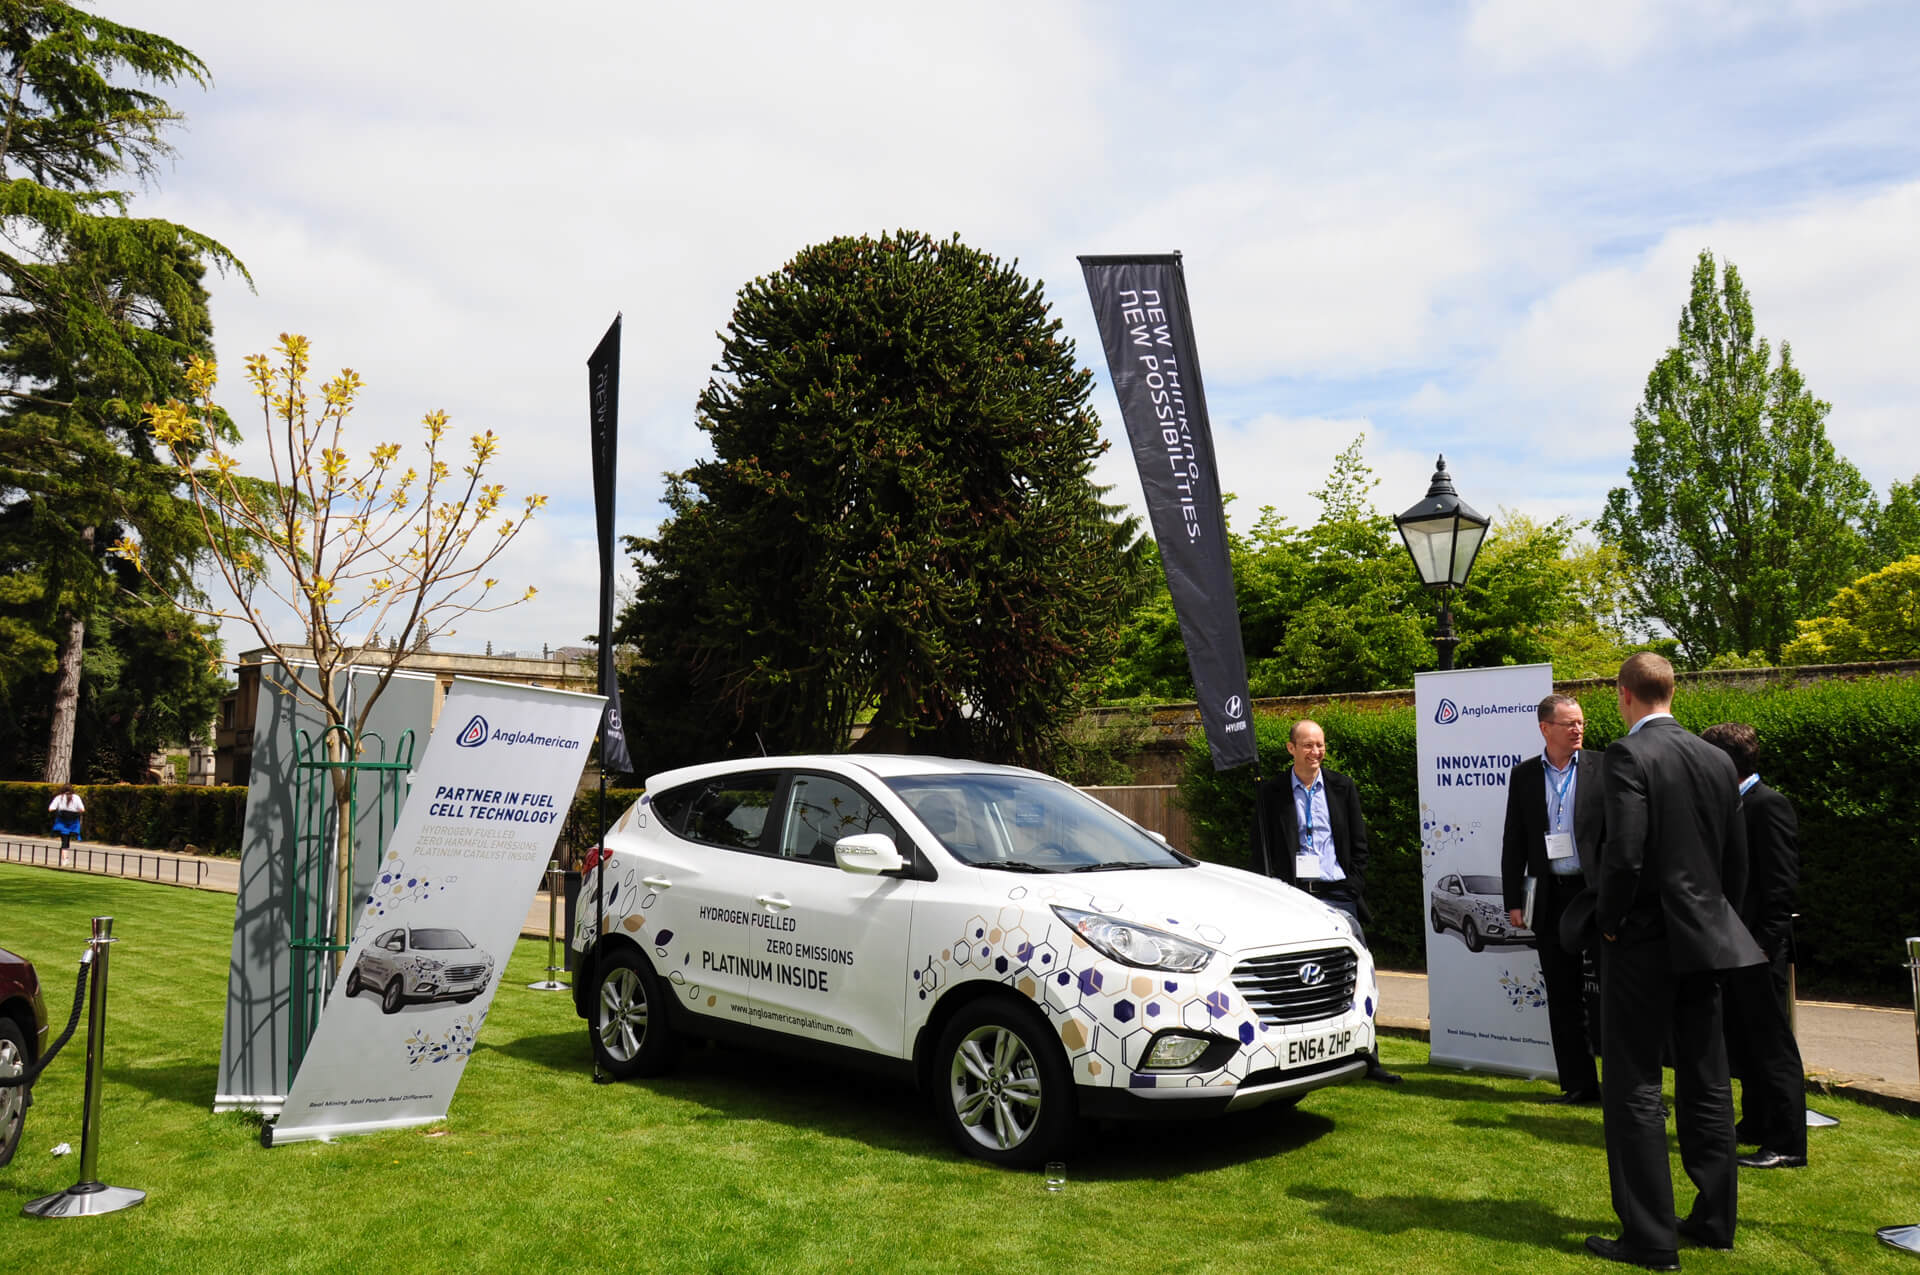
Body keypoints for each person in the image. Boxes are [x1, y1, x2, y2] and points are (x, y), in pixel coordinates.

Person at [1586, 653, 1765, 1270]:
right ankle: (1715, 1220)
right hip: (1705, 939)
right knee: (1707, 1078)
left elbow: (1624, 855)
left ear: (1624, 694)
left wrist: (1609, 922)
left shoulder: (1628, 754)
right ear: (1671, 691)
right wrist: (1716, 919)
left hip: (1643, 941)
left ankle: (1649, 1237)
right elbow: (1736, 861)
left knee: (1634, 1081)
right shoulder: (1716, 759)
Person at [1250, 718, 1402, 1084]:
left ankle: (1369, 1057)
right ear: (1291, 748)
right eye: (1308, 745)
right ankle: (1297, 1056)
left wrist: (1353, 887)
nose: (1315, 751)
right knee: (1295, 976)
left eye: (1320, 744)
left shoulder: (1341, 787)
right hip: (1293, 896)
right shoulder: (1271, 792)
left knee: (1357, 974)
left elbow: (1359, 843)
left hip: (1337, 894)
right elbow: (1262, 849)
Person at [1700, 722, 1808, 1171]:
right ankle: (1757, 1123)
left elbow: (1780, 885)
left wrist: (1765, 945)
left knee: (1771, 1046)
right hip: (1733, 945)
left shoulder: (1768, 805)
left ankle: (1787, 1142)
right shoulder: (1733, 805)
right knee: (1744, 1041)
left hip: (1759, 949)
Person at [1500, 694, 1603, 1104]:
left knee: (1615, 994)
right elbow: (1514, 841)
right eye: (1569, 723)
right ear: (1545, 728)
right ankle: (1580, 1085)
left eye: (1580, 722)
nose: (1578, 729)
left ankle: (1628, 1089)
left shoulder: (1604, 767)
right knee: (1563, 996)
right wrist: (1514, 901)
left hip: (1595, 894)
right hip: (1550, 897)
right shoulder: (1524, 775)